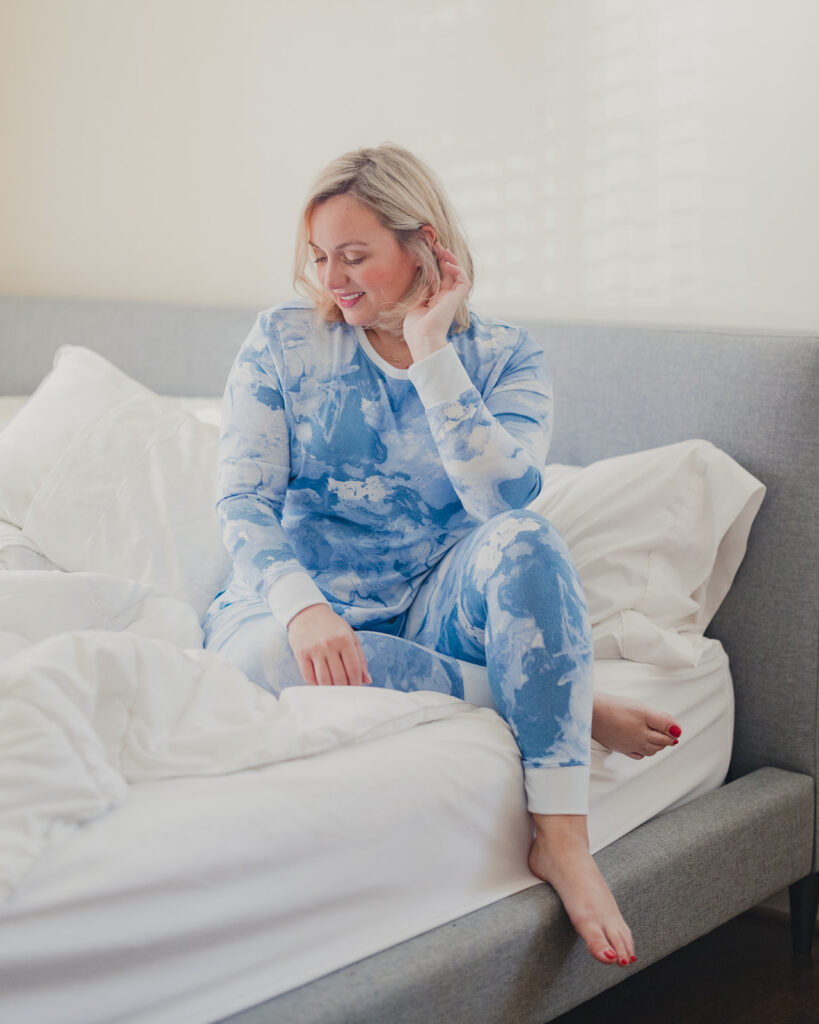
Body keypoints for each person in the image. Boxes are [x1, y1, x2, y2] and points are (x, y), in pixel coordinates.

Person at [203, 143, 682, 967]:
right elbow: (241, 500)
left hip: (433, 603)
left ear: (421, 245)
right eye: (318, 258)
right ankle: (542, 695)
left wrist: (430, 349)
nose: (332, 279)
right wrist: (304, 606)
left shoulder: (505, 356)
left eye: (354, 256)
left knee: (529, 540)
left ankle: (562, 838)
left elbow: (503, 503)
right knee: (253, 658)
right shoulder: (284, 342)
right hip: (304, 608)